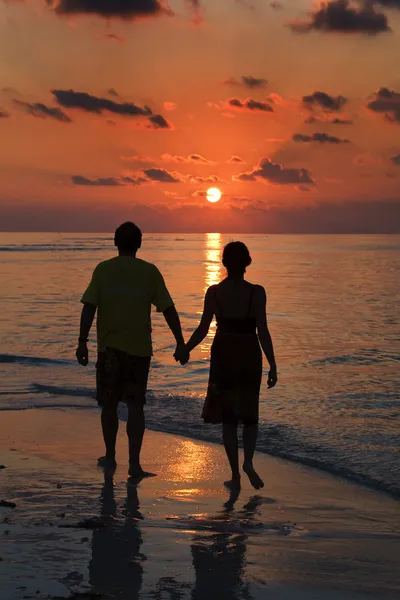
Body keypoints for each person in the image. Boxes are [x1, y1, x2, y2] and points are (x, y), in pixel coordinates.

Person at [76, 222, 189, 480]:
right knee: (136, 407)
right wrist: (180, 342)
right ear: (139, 244)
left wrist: (82, 341)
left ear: (116, 242)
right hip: (139, 351)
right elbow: (168, 309)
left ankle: (110, 456)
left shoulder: (103, 270)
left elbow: (89, 308)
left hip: (110, 350)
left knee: (109, 405)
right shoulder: (149, 272)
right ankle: (134, 465)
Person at [176, 241, 277, 491]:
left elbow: (202, 329)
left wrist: (185, 349)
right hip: (248, 353)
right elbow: (262, 331)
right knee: (250, 414)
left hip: (223, 353)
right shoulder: (257, 292)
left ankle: (235, 475)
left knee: (229, 419)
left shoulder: (214, 292)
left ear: (224, 263)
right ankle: (249, 463)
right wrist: (273, 364)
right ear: (247, 263)